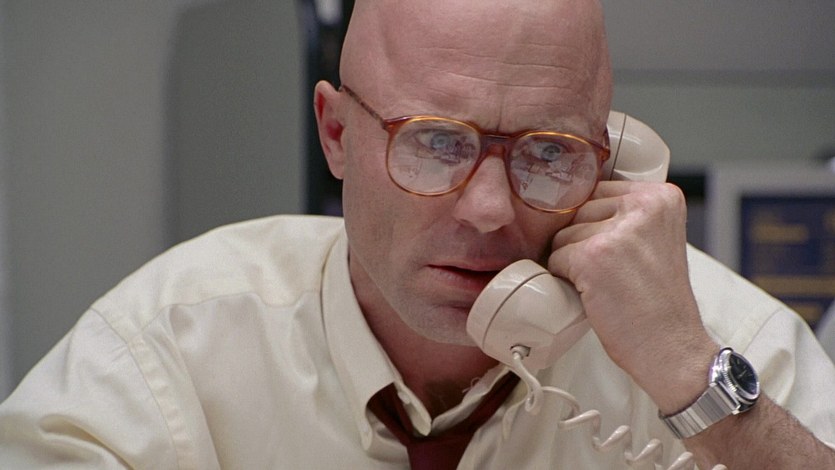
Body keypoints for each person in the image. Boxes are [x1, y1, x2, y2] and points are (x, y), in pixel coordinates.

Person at [2, 0, 835, 468]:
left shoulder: (721, 340)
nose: (488, 210)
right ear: (336, 134)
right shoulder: (172, 349)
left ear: (614, 161)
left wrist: (695, 385)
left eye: (548, 152)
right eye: (435, 142)